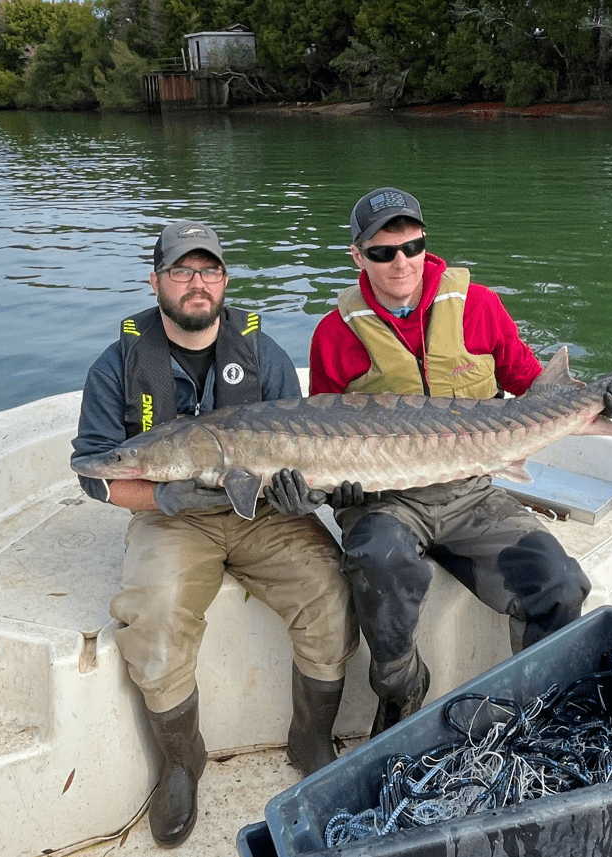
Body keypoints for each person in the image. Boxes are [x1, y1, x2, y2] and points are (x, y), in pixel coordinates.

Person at [267, 188, 612, 738]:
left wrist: (603, 396)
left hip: (473, 495)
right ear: (357, 256)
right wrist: (326, 492)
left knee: (560, 584)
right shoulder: (334, 334)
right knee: (376, 559)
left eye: (413, 246)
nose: (401, 261)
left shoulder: (479, 305)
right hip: (386, 503)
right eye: (382, 251)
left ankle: (539, 712)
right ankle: (401, 693)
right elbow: (319, 438)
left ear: (425, 245)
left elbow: (531, 385)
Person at [71, 221, 358, 848]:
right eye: (181, 271)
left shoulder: (263, 354)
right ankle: (181, 762)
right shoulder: (118, 363)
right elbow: (94, 471)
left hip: (262, 515)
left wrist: (299, 493)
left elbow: (308, 452)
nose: (197, 284)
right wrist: (157, 493)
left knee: (331, 588)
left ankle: (310, 738)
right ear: (156, 282)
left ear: (224, 281)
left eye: (209, 271)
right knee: (152, 612)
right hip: (172, 518)